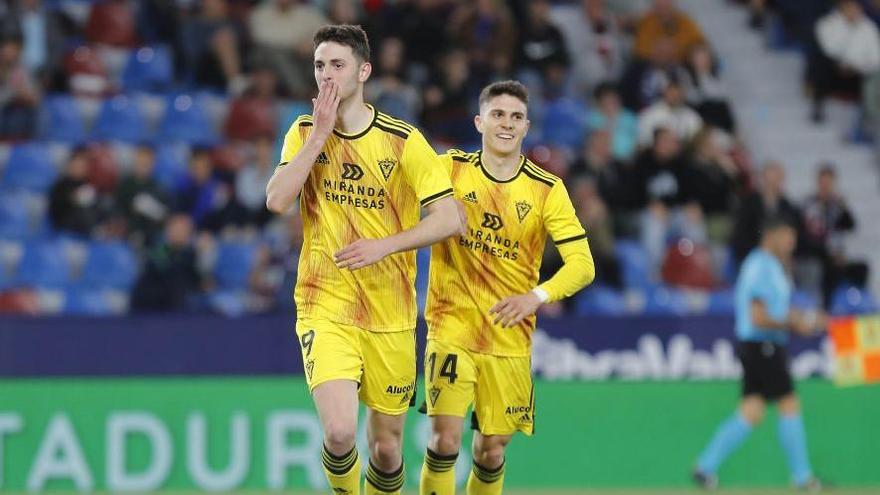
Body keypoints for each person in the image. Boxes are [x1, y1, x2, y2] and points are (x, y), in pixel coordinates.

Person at [265, 24, 463, 495]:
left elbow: (450, 219)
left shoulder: (403, 141)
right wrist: (319, 139)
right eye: (319, 66)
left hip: (390, 313)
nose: (327, 76)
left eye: (338, 65)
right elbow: (276, 200)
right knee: (337, 433)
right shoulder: (303, 132)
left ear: (364, 71)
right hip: (324, 303)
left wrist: (385, 244)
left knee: (387, 450)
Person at [418, 80, 595, 495]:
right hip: (451, 326)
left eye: (516, 117)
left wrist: (536, 297)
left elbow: (583, 266)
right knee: (445, 439)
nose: (506, 124)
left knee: (491, 450)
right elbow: (400, 206)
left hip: (509, 338)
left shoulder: (546, 189)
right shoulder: (449, 169)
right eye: (498, 114)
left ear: (527, 126)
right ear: (480, 121)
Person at [692, 216, 824, 492]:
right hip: (763, 345)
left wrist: (803, 320)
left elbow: (773, 313)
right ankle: (803, 478)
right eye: (788, 236)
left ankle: (705, 467)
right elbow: (759, 316)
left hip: (759, 345)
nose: (792, 243)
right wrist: (798, 322)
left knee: (751, 411)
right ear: (771, 236)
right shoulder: (760, 266)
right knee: (789, 404)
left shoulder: (771, 266)